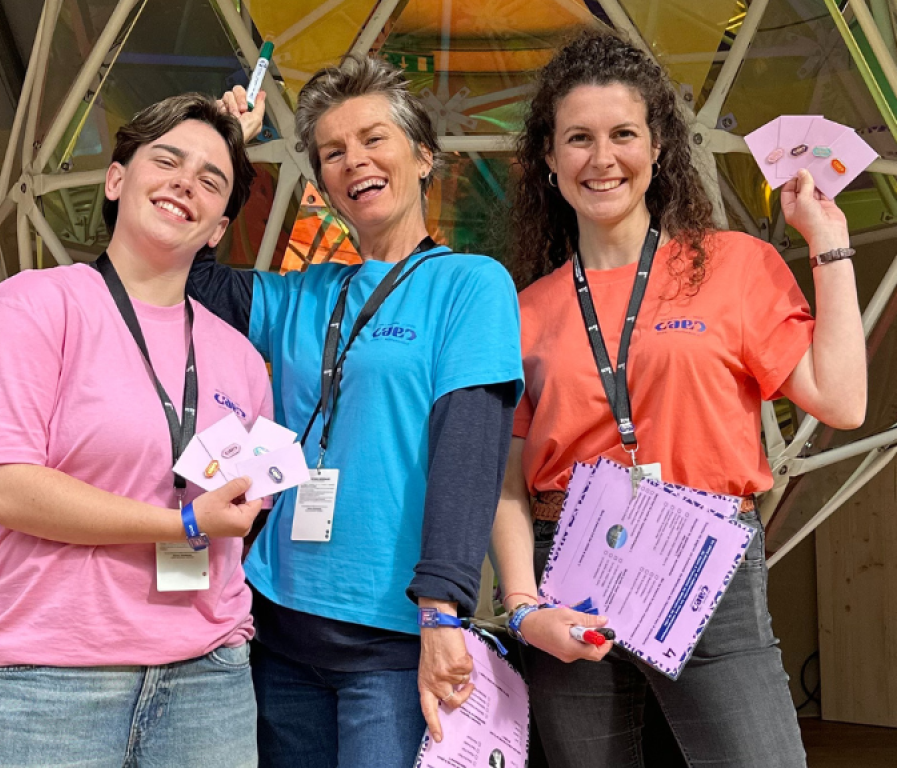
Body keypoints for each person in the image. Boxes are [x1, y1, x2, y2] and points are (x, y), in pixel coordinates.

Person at [491, 29, 866, 768]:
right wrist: (523, 605)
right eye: (578, 138)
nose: (602, 158)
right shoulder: (523, 310)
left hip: (703, 560)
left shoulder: (733, 265)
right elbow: (505, 478)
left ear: (659, 146)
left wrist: (829, 245)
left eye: (623, 134)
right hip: (569, 569)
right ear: (549, 160)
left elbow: (842, 400)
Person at [188, 57, 542, 768]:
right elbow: (188, 276)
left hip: (393, 641)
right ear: (324, 188)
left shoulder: (469, 284)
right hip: (277, 626)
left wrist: (442, 611)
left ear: (423, 156)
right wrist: (223, 143)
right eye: (333, 153)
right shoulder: (302, 293)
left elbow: (469, 455)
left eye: (375, 139)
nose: (355, 161)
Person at [0, 94, 272, 767]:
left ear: (218, 229)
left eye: (211, 180)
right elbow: (6, 489)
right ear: (117, 179)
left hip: (208, 678)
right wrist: (184, 523)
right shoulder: (33, 305)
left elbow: (246, 501)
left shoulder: (240, 357)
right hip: (42, 679)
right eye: (167, 161)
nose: (186, 182)